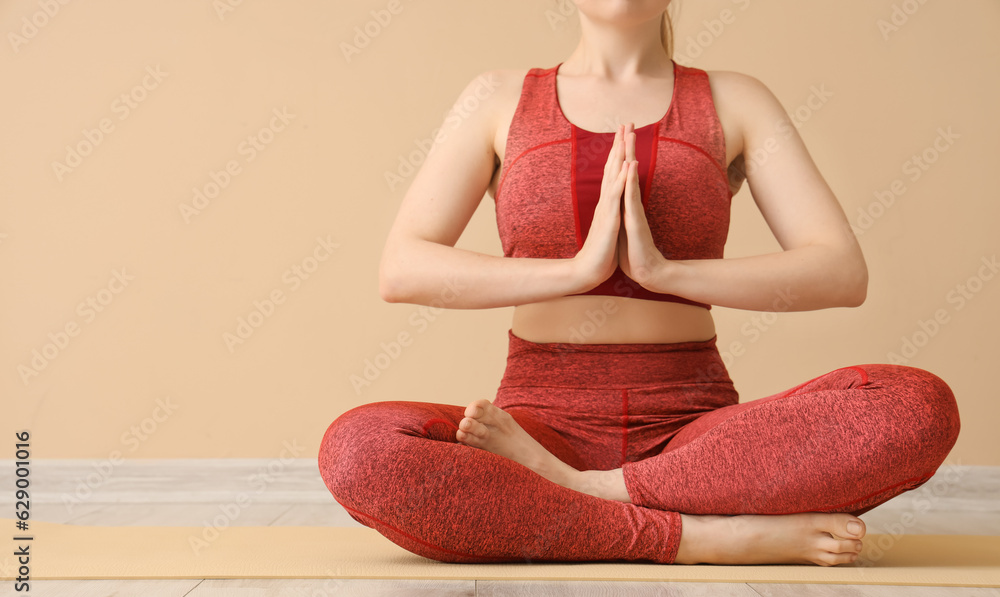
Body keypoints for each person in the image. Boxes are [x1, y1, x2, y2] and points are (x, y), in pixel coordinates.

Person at [318, 1, 960, 566]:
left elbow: (840, 272)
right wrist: (577, 272)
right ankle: (696, 539)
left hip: (692, 429)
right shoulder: (495, 97)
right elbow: (403, 268)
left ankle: (594, 495)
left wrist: (665, 273)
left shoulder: (736, 99)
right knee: (359, 450)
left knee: (917, 404)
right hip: (536, 422)